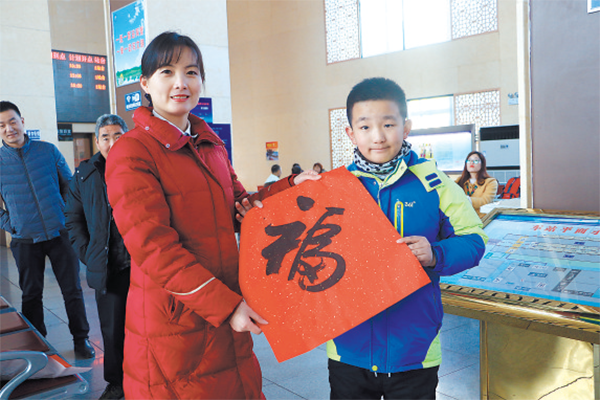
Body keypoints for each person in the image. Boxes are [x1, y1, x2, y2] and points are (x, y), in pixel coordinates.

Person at [104, 31, 319, 399]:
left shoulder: (210, 144)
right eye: (167, 72)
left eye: (191, 72)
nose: (181, 83)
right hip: (174, 325)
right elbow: (153, 248)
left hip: (225, 309)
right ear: (145, 83)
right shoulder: (133, 151)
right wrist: (226, 306)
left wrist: (292, 186)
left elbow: (241, 206)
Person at [326, 78, 486, 399]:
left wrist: (436, 253)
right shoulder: (333, 188)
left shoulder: (435, 184)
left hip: (415, 349)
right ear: (351, 133)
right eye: (365, 127)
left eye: (388, 124)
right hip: (348, 347)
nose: (378, 137)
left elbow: (474, 241)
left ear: (406, 127)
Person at [0, 101, 94, 359]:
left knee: (72, 290)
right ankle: (37, 345)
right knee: (31, 294)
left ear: (22, 121)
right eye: (2, 125)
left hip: (59, 233)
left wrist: (66, 216)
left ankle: (81, 339)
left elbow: (70, 187)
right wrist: (12, 224)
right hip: (24, 239)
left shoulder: (48, 151)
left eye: (12, 121)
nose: (9, 128)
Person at [65, 114, 130, 400]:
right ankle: (116, 384)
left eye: (118, 135)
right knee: (113, 330)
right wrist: (88, 254)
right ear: (97, 140)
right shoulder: (85, 174)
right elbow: (73, 218)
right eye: (106, 137)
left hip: (142, 265)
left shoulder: (140, 165)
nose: (112, 142)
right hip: (109, 267)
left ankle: (149, 378)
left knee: (150, 325)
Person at [455, 151, 498, 219]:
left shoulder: (491, 182)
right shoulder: (460, 180)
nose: (471, 163)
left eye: (475, 161)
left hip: (481, 219)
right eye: (469, 160)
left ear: (482, 164)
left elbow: (485, 201)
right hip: (462, 218)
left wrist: (466, 199)